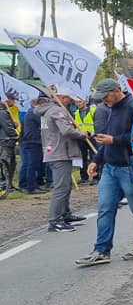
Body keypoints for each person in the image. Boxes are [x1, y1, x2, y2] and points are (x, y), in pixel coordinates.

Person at [74, 79, 133, 267]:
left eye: (106, 96)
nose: (103, 100)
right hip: (109, 167)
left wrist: (115, 140)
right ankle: (101, 250)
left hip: (129, 166)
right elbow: (106, 139)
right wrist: (96, 160)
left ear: (117, 90)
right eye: (101, 98)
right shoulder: (109, 108)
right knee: (105, 208)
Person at [34, 92, 89, 232]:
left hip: (53, 151)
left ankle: (65, 214)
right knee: (61, 188)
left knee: (66, 185)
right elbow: (67, 131)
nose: (71, 100)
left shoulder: (46, 112)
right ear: (62, 97)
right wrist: (83, 134)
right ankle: (55, 221)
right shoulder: (57, 111)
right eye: (69, 98)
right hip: (60, 153)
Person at [17, 100, 43, 194]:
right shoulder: (34, 113)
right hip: (32, 141)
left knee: (27, 164)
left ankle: (25, 184)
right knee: (32, 164)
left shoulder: (29, 113)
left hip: (26, 141)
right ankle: (31, 186)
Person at [73, 97, 96, 184]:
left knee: (94, 157)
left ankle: (95, 176)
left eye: (80, 102)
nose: (78, 104)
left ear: (85, 102)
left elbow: (97, 124)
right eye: (76, 102)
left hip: (92, 137)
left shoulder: (93, 111)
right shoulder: (76, 113)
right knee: (82, 157)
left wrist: (91, 133)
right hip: (81, 138)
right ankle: (84, 176)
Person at [0, 93, 18, 194]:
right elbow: (8, 127)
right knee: (8, 164)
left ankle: (8, 185)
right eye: (13, 100)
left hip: (3, 140)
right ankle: (6, 185)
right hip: (5, 141)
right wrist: (15, 136)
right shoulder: (2, 113)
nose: (14, 102)